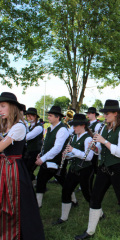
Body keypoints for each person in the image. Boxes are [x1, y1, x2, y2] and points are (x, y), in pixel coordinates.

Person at [74, 100, 120, 239]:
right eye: (104, 113)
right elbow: (102, 151)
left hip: (119, 168)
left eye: (107, 113)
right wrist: (95, 148)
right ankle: (90, 231)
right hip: (104, 168)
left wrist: (104, 141)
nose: (104, 116)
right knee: (95, 198)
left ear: (115, 113)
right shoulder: (104, 128)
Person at [0, 92, 45, 240]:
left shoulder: (19, 127)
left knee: (16, 203)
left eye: (2, 106)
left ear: (12, 107)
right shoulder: (6, 125)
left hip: (13, 169)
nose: (0, 109)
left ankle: (18, 233)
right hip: (4, 167)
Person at [53, 114, 95, 225]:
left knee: (88, 194)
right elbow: (74, 154)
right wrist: (67, 155)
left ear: (83, 125)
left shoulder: (88, 138)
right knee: (66, 190)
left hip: (85, 169)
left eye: (75, 126)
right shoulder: (74, 137)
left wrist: (73, 150)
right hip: (74, 168)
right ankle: (63, 217)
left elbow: (88, 157)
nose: (74, 128)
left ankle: (99, 213)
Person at [35, 105, 70, 208]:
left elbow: (57, 148)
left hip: (58, 162)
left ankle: (73, 200)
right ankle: (38, 204)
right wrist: (41, 154)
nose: (48, 117)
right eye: (48, 115)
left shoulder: (62, 129)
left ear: (57, 117)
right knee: (40, 180)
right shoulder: (50, 128)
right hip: (48, 160)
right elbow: (46, 143)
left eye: (50, 116)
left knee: (64, 183)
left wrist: (42, 158)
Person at [24, 107, 43, 181]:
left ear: (35, 116)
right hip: (29, 151)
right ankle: (34, 180)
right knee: (26, 169)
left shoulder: (39, 127)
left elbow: (27, 137)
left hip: (36, 151)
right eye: (27, 116)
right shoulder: (30, 126)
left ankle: (32, 183)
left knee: (28, 169)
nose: (28, 118)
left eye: (30, 116)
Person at [86, 107, 102, 173]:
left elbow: (97, 137)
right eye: (87, 113)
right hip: (86, 145)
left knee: (93, 165)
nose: (88, 115)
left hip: (93, 146)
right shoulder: (87, 123)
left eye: (89, 114)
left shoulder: (98, 124)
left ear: (94, 114)